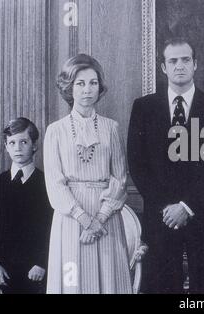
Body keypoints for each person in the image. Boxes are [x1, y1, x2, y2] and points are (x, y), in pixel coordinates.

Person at [127, 38, 204, 293]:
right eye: (173, 61)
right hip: (160, 216)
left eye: (185, 60)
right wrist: (168, 207)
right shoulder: (144, 108)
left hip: (203, 214)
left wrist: (186, 206)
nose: (179, 66)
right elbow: (137, 164)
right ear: (163, 67)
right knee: (161, 285)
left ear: (195, 64)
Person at [44, 54, 132, 294]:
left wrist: (99, 220)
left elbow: (120, 179)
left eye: (93, 83)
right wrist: (85, 220)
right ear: (69, 87)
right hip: (71, 219)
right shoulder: (55, 131)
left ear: (99, 87)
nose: (87, 90)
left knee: (108, 280)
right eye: (80, 83)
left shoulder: (111, 127)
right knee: (72, 281)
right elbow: (55, 183)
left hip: (107, 218)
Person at [0, 118, 53, 294]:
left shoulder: (47, 184)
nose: (18, 148)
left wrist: (41, 262)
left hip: (36, 271)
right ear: (6, 146)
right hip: (4, 271)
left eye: (23, 142)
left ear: (34, 145)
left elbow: (51, 228)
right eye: (12, 142)